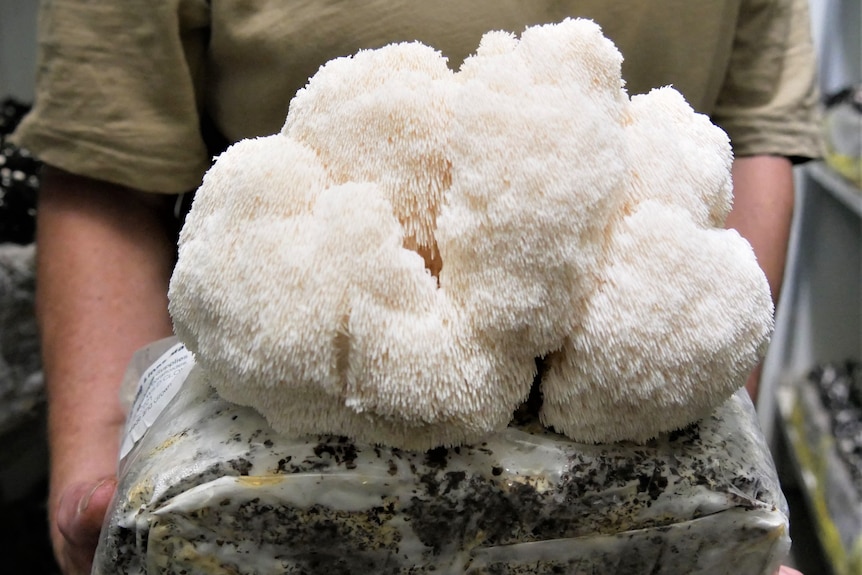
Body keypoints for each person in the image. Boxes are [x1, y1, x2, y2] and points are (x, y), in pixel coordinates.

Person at [11, 1, 822, 573]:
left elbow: (753, 131)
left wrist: (701, 500)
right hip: (276, 454)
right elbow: (105, 152)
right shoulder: (319, 190)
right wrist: (107, 482)